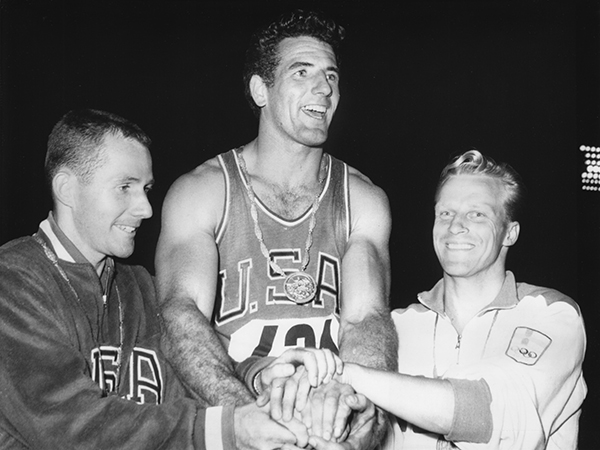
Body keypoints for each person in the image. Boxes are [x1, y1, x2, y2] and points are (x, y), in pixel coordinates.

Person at [0, 108, 354, 450]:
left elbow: (197, 359)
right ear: (67, 189)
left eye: (146, 189)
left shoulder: (141, 288)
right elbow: (70, 426)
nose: (146, 209)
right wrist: (226, 431)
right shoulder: (14, 281)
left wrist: (261, 375)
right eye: (125, 187)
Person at [155, 9, 397, 448]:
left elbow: (367, 318)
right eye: (301, 72)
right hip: (238, 405)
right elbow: (179, 314)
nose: (323, 89)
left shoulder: (362, 197)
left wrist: (348, 397)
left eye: (331, 75)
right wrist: (246, 417)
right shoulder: (203, 190)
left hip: (326, 413)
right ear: (259, 89)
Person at [335, 150, 587, 449]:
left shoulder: (552, 314)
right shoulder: (396, 327)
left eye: (477, 214)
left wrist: (347, 374)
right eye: (445, 213)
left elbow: (492, 415)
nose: (455, 226)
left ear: (510, 233)